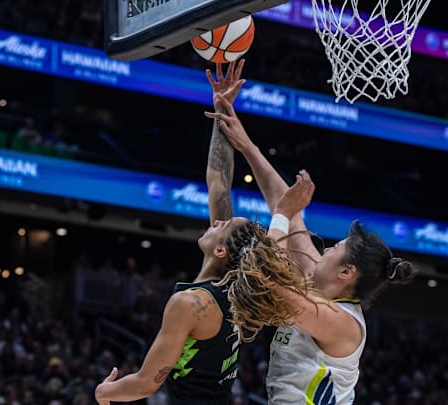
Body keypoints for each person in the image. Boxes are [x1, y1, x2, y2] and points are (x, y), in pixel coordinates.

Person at [94, 61, 314, 405]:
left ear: (222, 251)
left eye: (223, 225)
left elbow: (146, 383)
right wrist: (222, 109)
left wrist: (103, 393)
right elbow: (218, 182)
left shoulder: (191, 303)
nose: (216, 221)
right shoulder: (243, 292)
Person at [205, 90, 417, 404]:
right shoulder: (316, 283)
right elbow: (291, 215)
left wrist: (282, 214)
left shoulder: (340, 322)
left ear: (347, 272)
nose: (326, 250)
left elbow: (262, 281)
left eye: (335, 248)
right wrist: (246, 145)